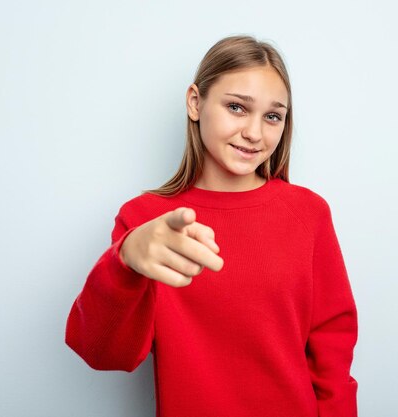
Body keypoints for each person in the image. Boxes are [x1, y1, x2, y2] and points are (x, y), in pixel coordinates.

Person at [65, 34, 358, 417]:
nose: (255, 132)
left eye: (273, 116)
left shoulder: (308, 213)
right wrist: (125, 261)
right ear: (195, 102)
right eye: (237, 107)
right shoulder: (145, 221)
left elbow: (332, 357)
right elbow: (102, 353)